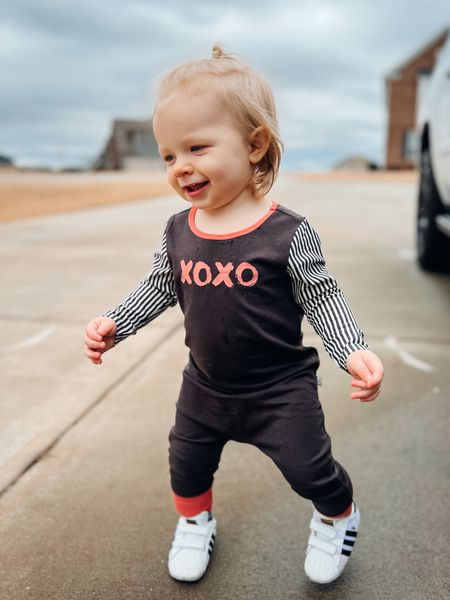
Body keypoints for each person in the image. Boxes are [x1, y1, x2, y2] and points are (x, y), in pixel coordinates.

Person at [84, 44, 384, 585]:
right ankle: (196, 521)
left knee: (309, 468)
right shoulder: (179, 231)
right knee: (186, 462)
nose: (181, 167)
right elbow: (158, 287)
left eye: (196, 147)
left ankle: (338, 517)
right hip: (206, 385)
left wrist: (352, 349)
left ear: (254, 145)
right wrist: (116, 324)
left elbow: (321, 295)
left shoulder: (285, 232)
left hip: (279, 388)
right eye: (169, 155)